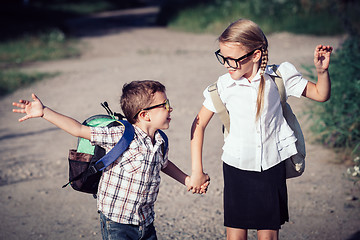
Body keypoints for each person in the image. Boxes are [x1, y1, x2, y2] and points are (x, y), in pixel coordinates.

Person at [188, 19, 333, 240]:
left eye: (233, 59)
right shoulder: (223, 86)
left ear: (256, 55)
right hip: (236, 166)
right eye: (223, 57)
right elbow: (198, 125)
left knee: (268, 235)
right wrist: (197, 170)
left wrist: (322, 72)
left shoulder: (279, 77)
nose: (227, 64)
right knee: (236, 235)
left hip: (271, 166)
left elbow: (321, 95)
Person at [12, 80, 209, 240]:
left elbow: (164, 164)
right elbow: (78, 129)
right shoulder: (120, 135)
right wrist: (44, 111)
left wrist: (187, 180)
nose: (170, 108)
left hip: (146, 221)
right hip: (117, 222)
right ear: (144, 115)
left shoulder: (160, 140)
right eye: (165, 105)